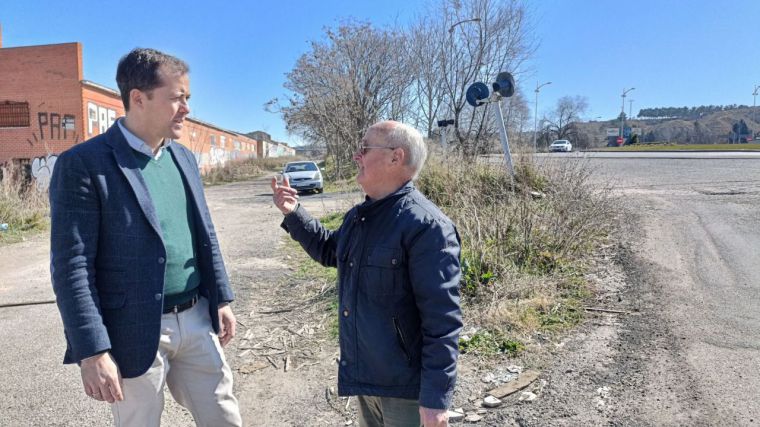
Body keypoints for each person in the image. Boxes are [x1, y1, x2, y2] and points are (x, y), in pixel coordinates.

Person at [49, 48, 242, 427]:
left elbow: (204, 235)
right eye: (176, 97)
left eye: (187, 98)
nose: (186, 108)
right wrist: (92, 351)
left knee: (224, 417)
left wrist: (222, 298)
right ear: (138, 98)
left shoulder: (183, 158)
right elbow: (72, 266)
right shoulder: (84, 165)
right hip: (134, 330)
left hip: (197, 318)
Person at [272, 121, 462, 427]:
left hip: (406, 392)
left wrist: (435, 400)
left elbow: (442, 321)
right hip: (367, 379)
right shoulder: (360, 217)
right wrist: (294, 213)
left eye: (364, 148)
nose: (356, 156)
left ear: (395, 157)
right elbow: (330, 250)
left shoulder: (427, 227)